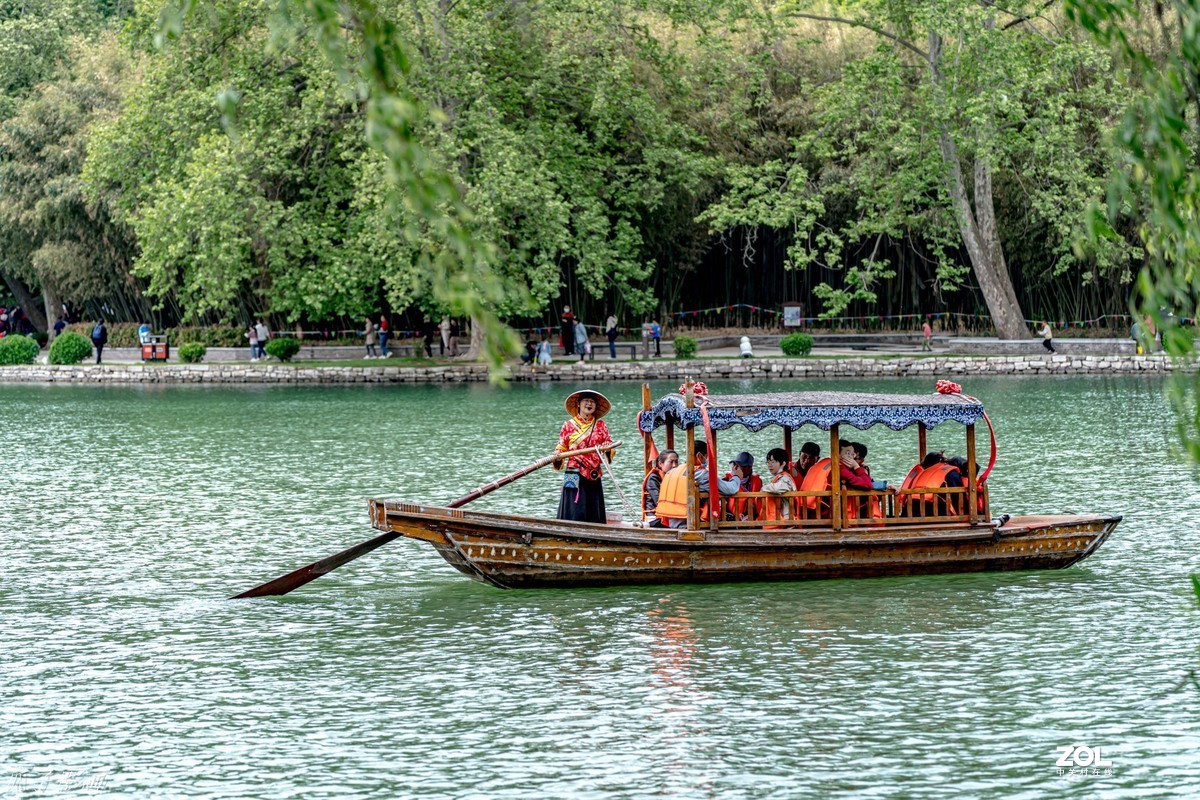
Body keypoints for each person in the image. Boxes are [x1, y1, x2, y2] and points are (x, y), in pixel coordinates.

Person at [553, 390, 615, 523]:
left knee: (593, 509)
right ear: (578, 404)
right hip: (573, 471)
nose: (589, 403)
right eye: (586, 400)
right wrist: (558, 456)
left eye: (592, 401)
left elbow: (609, 444)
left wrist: (607, 448)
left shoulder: (600, 425)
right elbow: (561, 447)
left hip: (594, 472)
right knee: (574, 508)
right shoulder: (568, 425)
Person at [655, 441, 740, 528]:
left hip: (671, 523)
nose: (707, 460)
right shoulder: (701, 474)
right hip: (692, 524)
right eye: (706, 456)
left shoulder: (672, 472)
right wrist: (736, 476)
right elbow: (731, 489)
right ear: (699, 456)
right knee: (733, 519)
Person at [643, 449, 679, 526]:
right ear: (660, 464)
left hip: (669, 515)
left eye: (676, 462)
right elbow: (658, 500)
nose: (674, 465)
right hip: (654, 518)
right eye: (671, 462)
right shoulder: (654, 478)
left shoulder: (674, 478)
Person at [762, 447, 798, 522]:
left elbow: (777, 488)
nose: (770, 465)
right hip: (781, 518)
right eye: (768, 462)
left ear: (783, 463)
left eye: (773, 462)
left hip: (786, 518)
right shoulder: (779, 477)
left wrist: (762, 488)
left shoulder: (785, 478)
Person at [726, 451, 763, 520]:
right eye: (735, 465)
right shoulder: (726, 480)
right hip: (732, 518)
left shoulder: (757, 481)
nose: (736, 467)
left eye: (740, 465)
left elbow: (759, 503)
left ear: (749, 468)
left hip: (752, 518)